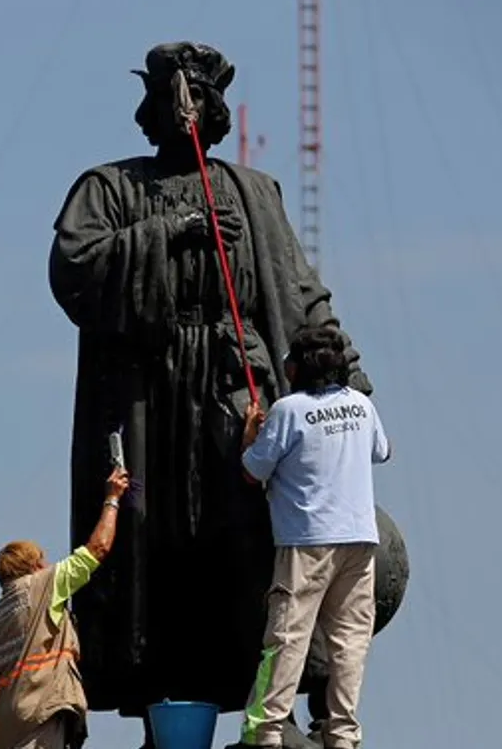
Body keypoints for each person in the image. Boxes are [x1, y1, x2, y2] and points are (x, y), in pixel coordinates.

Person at [47, 40, 383, 745]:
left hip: (236, 394)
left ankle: (274, 708)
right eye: (170, 96)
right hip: (146, 395)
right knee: (151, 544)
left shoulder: (253, 194)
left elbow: (298, 291)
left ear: (214, 107)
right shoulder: (108, 188)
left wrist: (343, 380)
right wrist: (173, 230)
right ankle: (159, 712)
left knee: (250, 542)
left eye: (194, 96)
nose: (182, 110)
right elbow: (75, 268)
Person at [227, 326, 393, 749]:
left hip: (307, 541)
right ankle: (343, 735)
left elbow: (252, 470)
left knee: (286, 637)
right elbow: (380, 451)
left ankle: (264, 733)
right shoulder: (360, 406)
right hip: (359, 539)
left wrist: (251, 435)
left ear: (298, 367)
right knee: (350, 640)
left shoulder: (288, 411)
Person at [0, 467, 131, 749]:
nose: (48, 565)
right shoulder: (44, 585)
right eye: (44, 560)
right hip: (40, 711)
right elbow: (97, 549)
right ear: (35, 566)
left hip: (5, 724)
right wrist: (112, 499)